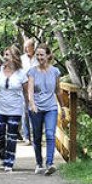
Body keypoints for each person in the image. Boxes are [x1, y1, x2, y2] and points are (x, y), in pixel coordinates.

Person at [26, 44, 61, 175]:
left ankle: (50, 163)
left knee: (50, 134)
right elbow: (30, 90)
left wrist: (62, 106)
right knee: (37, 136)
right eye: (38, 55)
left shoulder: (55, 71)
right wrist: (32, 104)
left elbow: (58, 90)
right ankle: (39, 163)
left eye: (42, 55)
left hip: (51, 107)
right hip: (36, 108)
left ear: (48, 55)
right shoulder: (32, 71)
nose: (39, 57)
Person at [0, 46, 28, 172]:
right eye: (5, 54)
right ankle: (3, 155)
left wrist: (29, 107)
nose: (5, 57)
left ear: (15, 57)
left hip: (15, 109)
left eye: (8, 55)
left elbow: (26, 92)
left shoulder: (22, 74)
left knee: (12, 136)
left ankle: (9, 163)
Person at [19, 38, 37, 141]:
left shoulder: (38, 58)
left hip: (36, 89)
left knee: (35, 111)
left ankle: (35, 135)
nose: (26, 49)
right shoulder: (22, 59)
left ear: (33, 47)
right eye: (25, 47)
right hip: (24, 88)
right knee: (25, 112)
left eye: (28, 47)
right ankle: (27, 136)